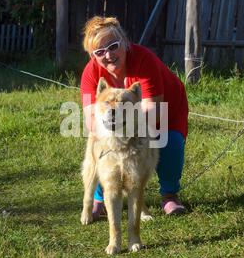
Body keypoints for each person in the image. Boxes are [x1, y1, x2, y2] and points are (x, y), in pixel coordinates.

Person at [80, 16, 189, 219]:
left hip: (166, 111)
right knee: (100, 144)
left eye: (113, 46)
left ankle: (169, 195)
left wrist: (123, 134)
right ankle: (100, 198)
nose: (108, 55)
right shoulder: (90, 73)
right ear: (92, 55)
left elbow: (153, 110)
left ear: (125, 42)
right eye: (100, 52)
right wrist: (113, 136)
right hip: (123, 121)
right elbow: (91, 119)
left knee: (168, 141)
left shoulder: (143, 59)